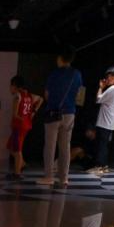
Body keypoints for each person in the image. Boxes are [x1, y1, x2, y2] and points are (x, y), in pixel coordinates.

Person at [37, 49, 83, 187]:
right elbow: (80, 96)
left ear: (61, 58)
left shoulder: (54, 74)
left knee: (50, 147)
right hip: (70, 114)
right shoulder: (77, 74)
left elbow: (47, 95)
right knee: (65, 147)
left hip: (53, 113)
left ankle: (48, 176)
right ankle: (64, 178)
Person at [6, 75, 42, 180]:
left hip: (19, 126)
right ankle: (22, 164)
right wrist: (33, 112)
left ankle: (17, 173)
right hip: (25, 125)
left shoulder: (17, 96)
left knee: (17, 150)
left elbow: (15, 114)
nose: (10, 88)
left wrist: (20, 118)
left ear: (15, 86)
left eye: (11, 86)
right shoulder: (29, 95)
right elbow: (41, 99)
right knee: (10, 147)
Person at [88, 66, 114, 174]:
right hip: (109, 122)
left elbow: (98, 99)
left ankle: (99, 167)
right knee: (104, 145)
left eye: (109, 76)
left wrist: (101, 87)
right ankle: (104, 166)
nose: (107, 79)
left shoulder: (113, 89)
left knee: (101, 145)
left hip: (105, 122)